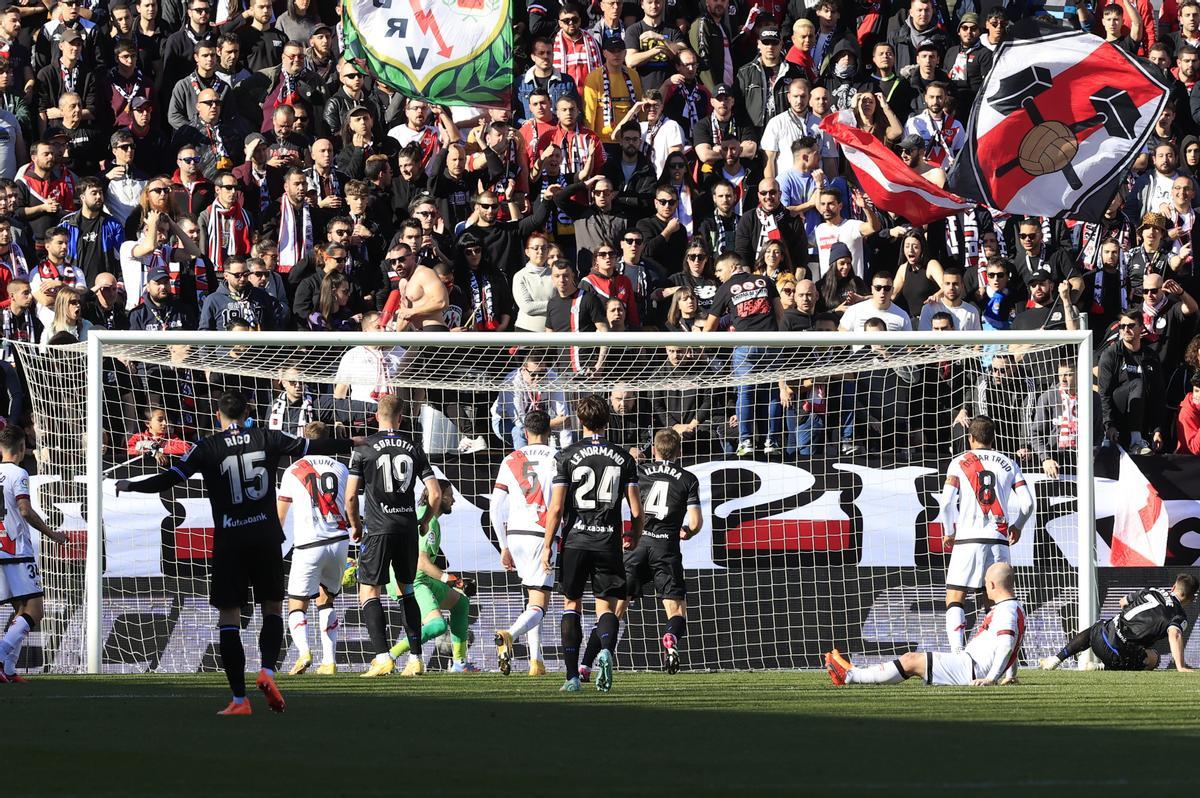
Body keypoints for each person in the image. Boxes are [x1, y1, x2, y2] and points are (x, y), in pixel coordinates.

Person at [115, 390, 356, 715]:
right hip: (266, 536)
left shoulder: (208, 447)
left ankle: (239, 700)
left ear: (218, 416)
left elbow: (170, 478)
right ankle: (268, 672)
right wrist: (355, 443)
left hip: (230, 539)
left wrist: (131, 484)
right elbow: (313, 446)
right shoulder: (266, 437)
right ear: (247, 414)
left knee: (229, 615)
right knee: (272, 606)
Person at [540, 394, 643, 693]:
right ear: (607, 420)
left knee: (571, 604)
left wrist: (548, 544)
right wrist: (634, 535)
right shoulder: (624, 457)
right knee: (605, 607)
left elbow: (557, 509)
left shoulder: (566, 456)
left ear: (580, 420)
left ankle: (572, 677)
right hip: (607, 541)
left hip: (575, 541)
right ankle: (607, 651)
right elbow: (637, 511)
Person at [579, 428, 701, 678]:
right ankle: (669, 637)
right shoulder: (688, 479)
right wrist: (687, 531)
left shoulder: (640, 471)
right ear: (679, 451)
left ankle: (586, 665)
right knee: (676, 611)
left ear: (654, 450)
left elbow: (617, 504)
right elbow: (696, 522)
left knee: (613, 611)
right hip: (666, 548)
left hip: (637, 546)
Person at [347, 394, 442, 678]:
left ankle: (382, 657)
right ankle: (415, 659)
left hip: (377, 528)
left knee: (369, 591)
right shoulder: (413, 447)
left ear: (377, 416)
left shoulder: (363, 447)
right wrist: (424, 521)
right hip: (406, 528)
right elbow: (435, 493)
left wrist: (355, 526)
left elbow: (351, 495)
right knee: (407, 590)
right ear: (400, 419)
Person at [826, 562, 1024, 687]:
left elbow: (1007, 644)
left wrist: (991, 678)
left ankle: (850, 676)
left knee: (911, 660)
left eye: (986, 582)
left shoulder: (1006, 611)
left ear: (991, 585)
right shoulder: (1013, 608)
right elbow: (1010, 644)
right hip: (970, 665)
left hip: (970, 669)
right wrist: (1010, 675)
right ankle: (854, 671)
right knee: (911, 660)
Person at [936, 416, 1034, 654]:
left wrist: (949, 532)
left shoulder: (959, 461)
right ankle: (997, 658)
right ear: (994, 438)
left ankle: (958, 654)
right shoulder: (1009, 463)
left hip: (967, 539)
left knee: (955, 598)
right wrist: (1018, 526)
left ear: (970, 439)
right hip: (998, 540)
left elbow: (947, 503)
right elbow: (1028, 504)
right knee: (996, 604)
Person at [276, 421, 350, 677]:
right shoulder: (342, 468)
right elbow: (350, 503)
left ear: (304, 439)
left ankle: (304, 652)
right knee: (326, 599)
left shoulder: (292, 470)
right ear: (328, 440)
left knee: (297, 602)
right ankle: (329, 662)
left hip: (309, 543)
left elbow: (280, 516)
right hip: (339, 540)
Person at [384, 478, 479, 673]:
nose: (453, 501)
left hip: (420, 579)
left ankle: (459, 664)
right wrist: (452, 580)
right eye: (450, 496)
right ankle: (388, 657)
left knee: (461, 604)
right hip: (410, 582)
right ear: (439, 497)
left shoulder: (427, 517)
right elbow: (422, 562)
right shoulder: (428, 520)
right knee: (437, 626)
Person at [492, 409, 558, 677]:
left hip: (516, 535)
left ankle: (536, 661)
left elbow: (496, 507)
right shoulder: (558, 458)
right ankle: (510, 634)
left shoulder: (511, 459)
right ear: (549, 433)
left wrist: (503, 545)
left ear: (526, 433)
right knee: (540, 603)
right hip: (544, 534)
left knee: (532, 598)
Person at [0, 425, 68, 683]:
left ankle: (7, 669)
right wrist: (54, 534)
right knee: (36, 611)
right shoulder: (19, 473)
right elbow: (25, 510)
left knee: (20, 609)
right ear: (22, 448)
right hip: (16, 550)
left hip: (1, 550)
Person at [1041, 573, 1198, 672]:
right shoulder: (1179, 614)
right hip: (1120, 656)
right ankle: (1104, 667)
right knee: (1154, 657)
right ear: (1191, 599)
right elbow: (1174, 633)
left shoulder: (1152, 590)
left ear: (1173, 587)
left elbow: (1122, 602)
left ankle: (1056, 659)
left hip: (1100, 638)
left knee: (1099, 626)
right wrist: (1180, 666)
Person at [1099, 308, 1167, 453]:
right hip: (1118, 410)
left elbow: (1158, 395)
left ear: (1141, 328)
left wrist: (1157, 429)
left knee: (1144, 388)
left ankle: (1140, 438)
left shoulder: (1151, 356)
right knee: (1138, 383)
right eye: (1122, 326)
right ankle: (1135, 441)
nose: (1126, 330)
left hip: (1141, 412)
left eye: (1131, 326)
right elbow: (1104, 393)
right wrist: (1109, 424)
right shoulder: (1111, 354)